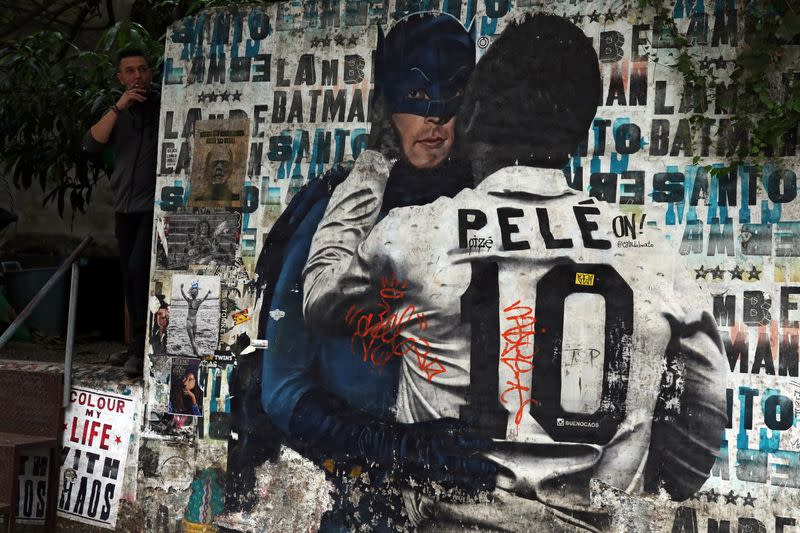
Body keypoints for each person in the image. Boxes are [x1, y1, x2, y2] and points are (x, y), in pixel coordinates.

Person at [302, 15, 727, 532]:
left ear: (475, 113)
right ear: (580, 126)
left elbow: (321, 298)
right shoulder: (652, 254)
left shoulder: (413, 235)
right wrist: (628, 497)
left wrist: (373, 159)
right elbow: (702, 427)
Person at [225, 13, 496, 532]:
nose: (435, 119)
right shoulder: (341, 210)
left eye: (452, 97)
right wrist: (399, 447)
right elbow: (283, 390)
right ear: (386, 104)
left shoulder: (489, 207)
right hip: (352, 499)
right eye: (416, 98)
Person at [83, 47, 160, 377]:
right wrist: (119, 106)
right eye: (130, 71)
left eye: (142, 69)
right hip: (124, 207)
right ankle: (134, 347)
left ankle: (141, 353)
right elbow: (90, 145)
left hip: (151, 208)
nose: (137, 76)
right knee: (129, 277)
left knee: (139, 271)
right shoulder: (117, 111)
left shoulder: (160, 105)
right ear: (120, 78)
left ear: (150, 73)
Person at [181, 282, 211, 356]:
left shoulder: (189, 301)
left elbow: (183, 295)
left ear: (191, 294)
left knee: (192, 340)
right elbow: (204, 298)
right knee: (193, 339)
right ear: (197, 294)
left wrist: (181, 288)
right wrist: (207, 293)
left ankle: (197, 353)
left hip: (189, 321)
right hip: (195, 322)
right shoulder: (198, 302)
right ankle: (194, 352)